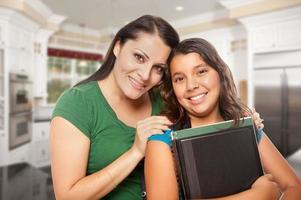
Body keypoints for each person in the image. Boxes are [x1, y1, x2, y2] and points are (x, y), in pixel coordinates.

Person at [144, 38, 301, 200]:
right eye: (179, 79)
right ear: (172, 88)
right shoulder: (162, 140)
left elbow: (294, 187)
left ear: (219, 73)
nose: (191, 86)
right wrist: (258, 195)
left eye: (201, 71)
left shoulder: (246, 126)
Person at [50, 15, 179, 200]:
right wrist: (135, 152)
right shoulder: (78, 103)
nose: (145, 75)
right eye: (139, 57)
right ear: (118, 47)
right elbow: (67, 196)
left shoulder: (164, 101)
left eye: (158, 68)